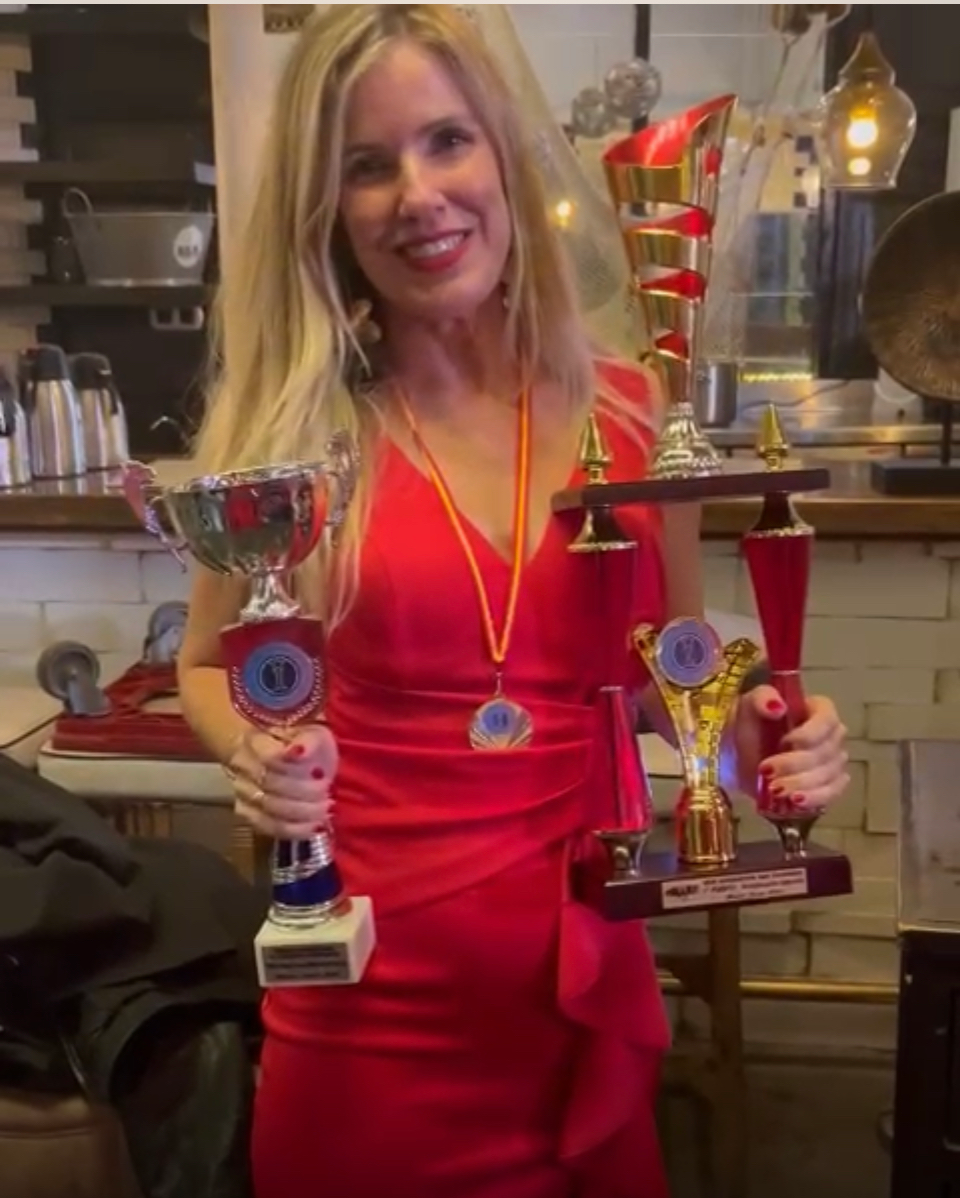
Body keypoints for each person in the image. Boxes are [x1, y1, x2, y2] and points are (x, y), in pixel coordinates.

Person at [177, 6, 850, 1197]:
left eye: (447, 142)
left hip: (581, 978)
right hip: (368, 1010)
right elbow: (201, 668)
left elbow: (672, 665)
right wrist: (257, 754)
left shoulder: (637, 410)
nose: (420, 197)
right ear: (323, 208)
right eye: (367, 166)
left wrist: (764, 738)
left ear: (502, 150)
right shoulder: (291, 435)